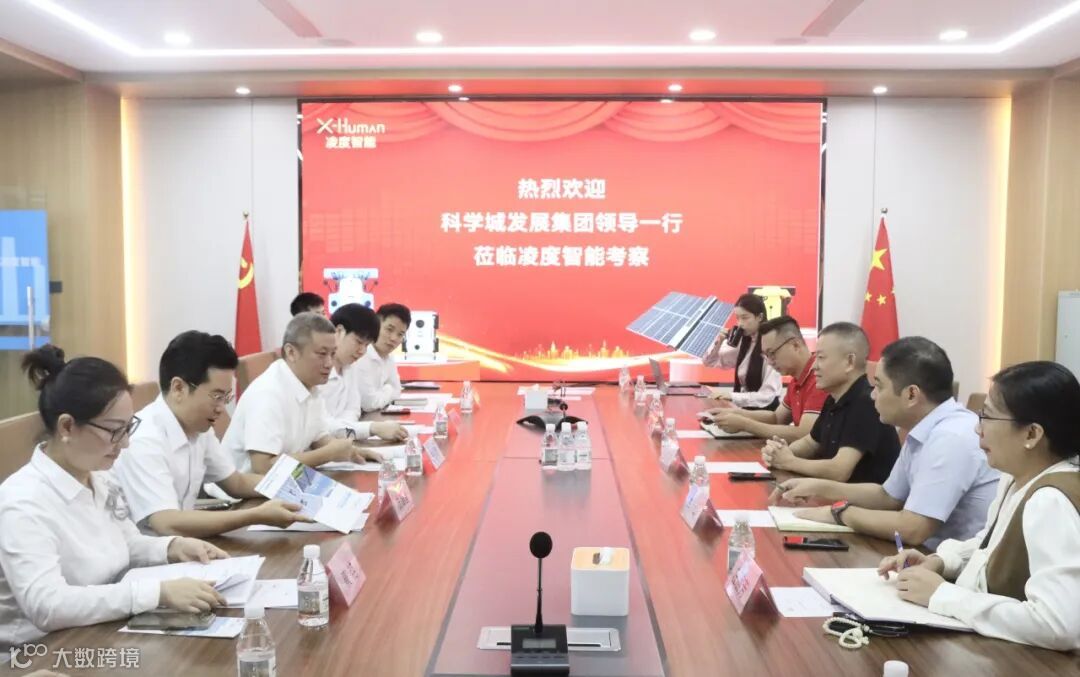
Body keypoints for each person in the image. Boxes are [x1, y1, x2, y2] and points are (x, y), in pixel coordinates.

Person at [0, 346, 228, 648]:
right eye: (114, 431)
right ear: (67, 426)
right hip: (39, 654)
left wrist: (174, 547)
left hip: (99, 631)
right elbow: (48, 605)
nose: (126, 443)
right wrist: (156, 592)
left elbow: (125, 543)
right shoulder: (22, 503)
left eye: (128, 428)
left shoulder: (98, 477)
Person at [878, 361, 1080, 651]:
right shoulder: (1016, 478)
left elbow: (1057, 626)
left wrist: (942, 595)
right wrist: (941, 562)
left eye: (987, 416)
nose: (977, 428)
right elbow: (989, 544)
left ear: (1032, 434)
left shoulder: (1050, 501)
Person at [773, 337, 999, 548]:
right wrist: (818, 487)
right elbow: (888, 497)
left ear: (911, 395)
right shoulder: (924, 428)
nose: (872, 395)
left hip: (953, 568)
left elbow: (913, 529)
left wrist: (840, 512)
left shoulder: (950, 438)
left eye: (879, 386)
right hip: (922, 558)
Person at [112, 331, 314, 537]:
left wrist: (302, 487)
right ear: (178, 388)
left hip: (183, 544)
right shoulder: (145, 440)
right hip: (146, 552)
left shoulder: (199, 427)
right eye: (216, 396)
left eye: (226, 397)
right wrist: (256, 515)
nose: (221, 408)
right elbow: (167, 522)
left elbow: (236, 483)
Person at [221, 312, 405, 474]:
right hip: (244, 496)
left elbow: (319, 437)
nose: (329, 363)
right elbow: (263, 466)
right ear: (291, 352)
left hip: (283, 483)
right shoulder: (269, 392)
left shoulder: (310, 385)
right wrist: (327, 454)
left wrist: (353, 452)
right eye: (322, 354)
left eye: (332, 354)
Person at [760, 322, 900, 483]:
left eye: (821, 358)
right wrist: (780, 452)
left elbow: (839, 470)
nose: (814, 366)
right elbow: (811, 443)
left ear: (849, 362)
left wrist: (789, 461)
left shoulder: (867, 403)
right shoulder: (833, 398)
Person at [703, 315, 826, 442]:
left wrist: (744, 424)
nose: (770, 362)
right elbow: (776, 418)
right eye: (766, 355)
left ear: (795, 345)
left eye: (772, 353)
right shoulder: (797, 379)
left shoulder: (820, 378)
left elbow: (804, 434)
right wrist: (734, 414)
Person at [702, 293, 783, 409]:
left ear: (760, 317)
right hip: (746, 409)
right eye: (737, 318)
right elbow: (709, 361)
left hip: (767, 412)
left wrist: (732, 396)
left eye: (745, 318)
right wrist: (719, 342)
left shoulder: (771, 345)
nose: (740, 323)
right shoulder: (743, 341)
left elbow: (768, 395)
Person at [355, 302, 411, 412]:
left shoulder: (389, 356)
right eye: (389, 329)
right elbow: (369, 404)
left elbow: (397, 390)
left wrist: (385, 391)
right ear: (376, 325)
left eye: (400, 334)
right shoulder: (361, 355)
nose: (394, 338)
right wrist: (388, 388)